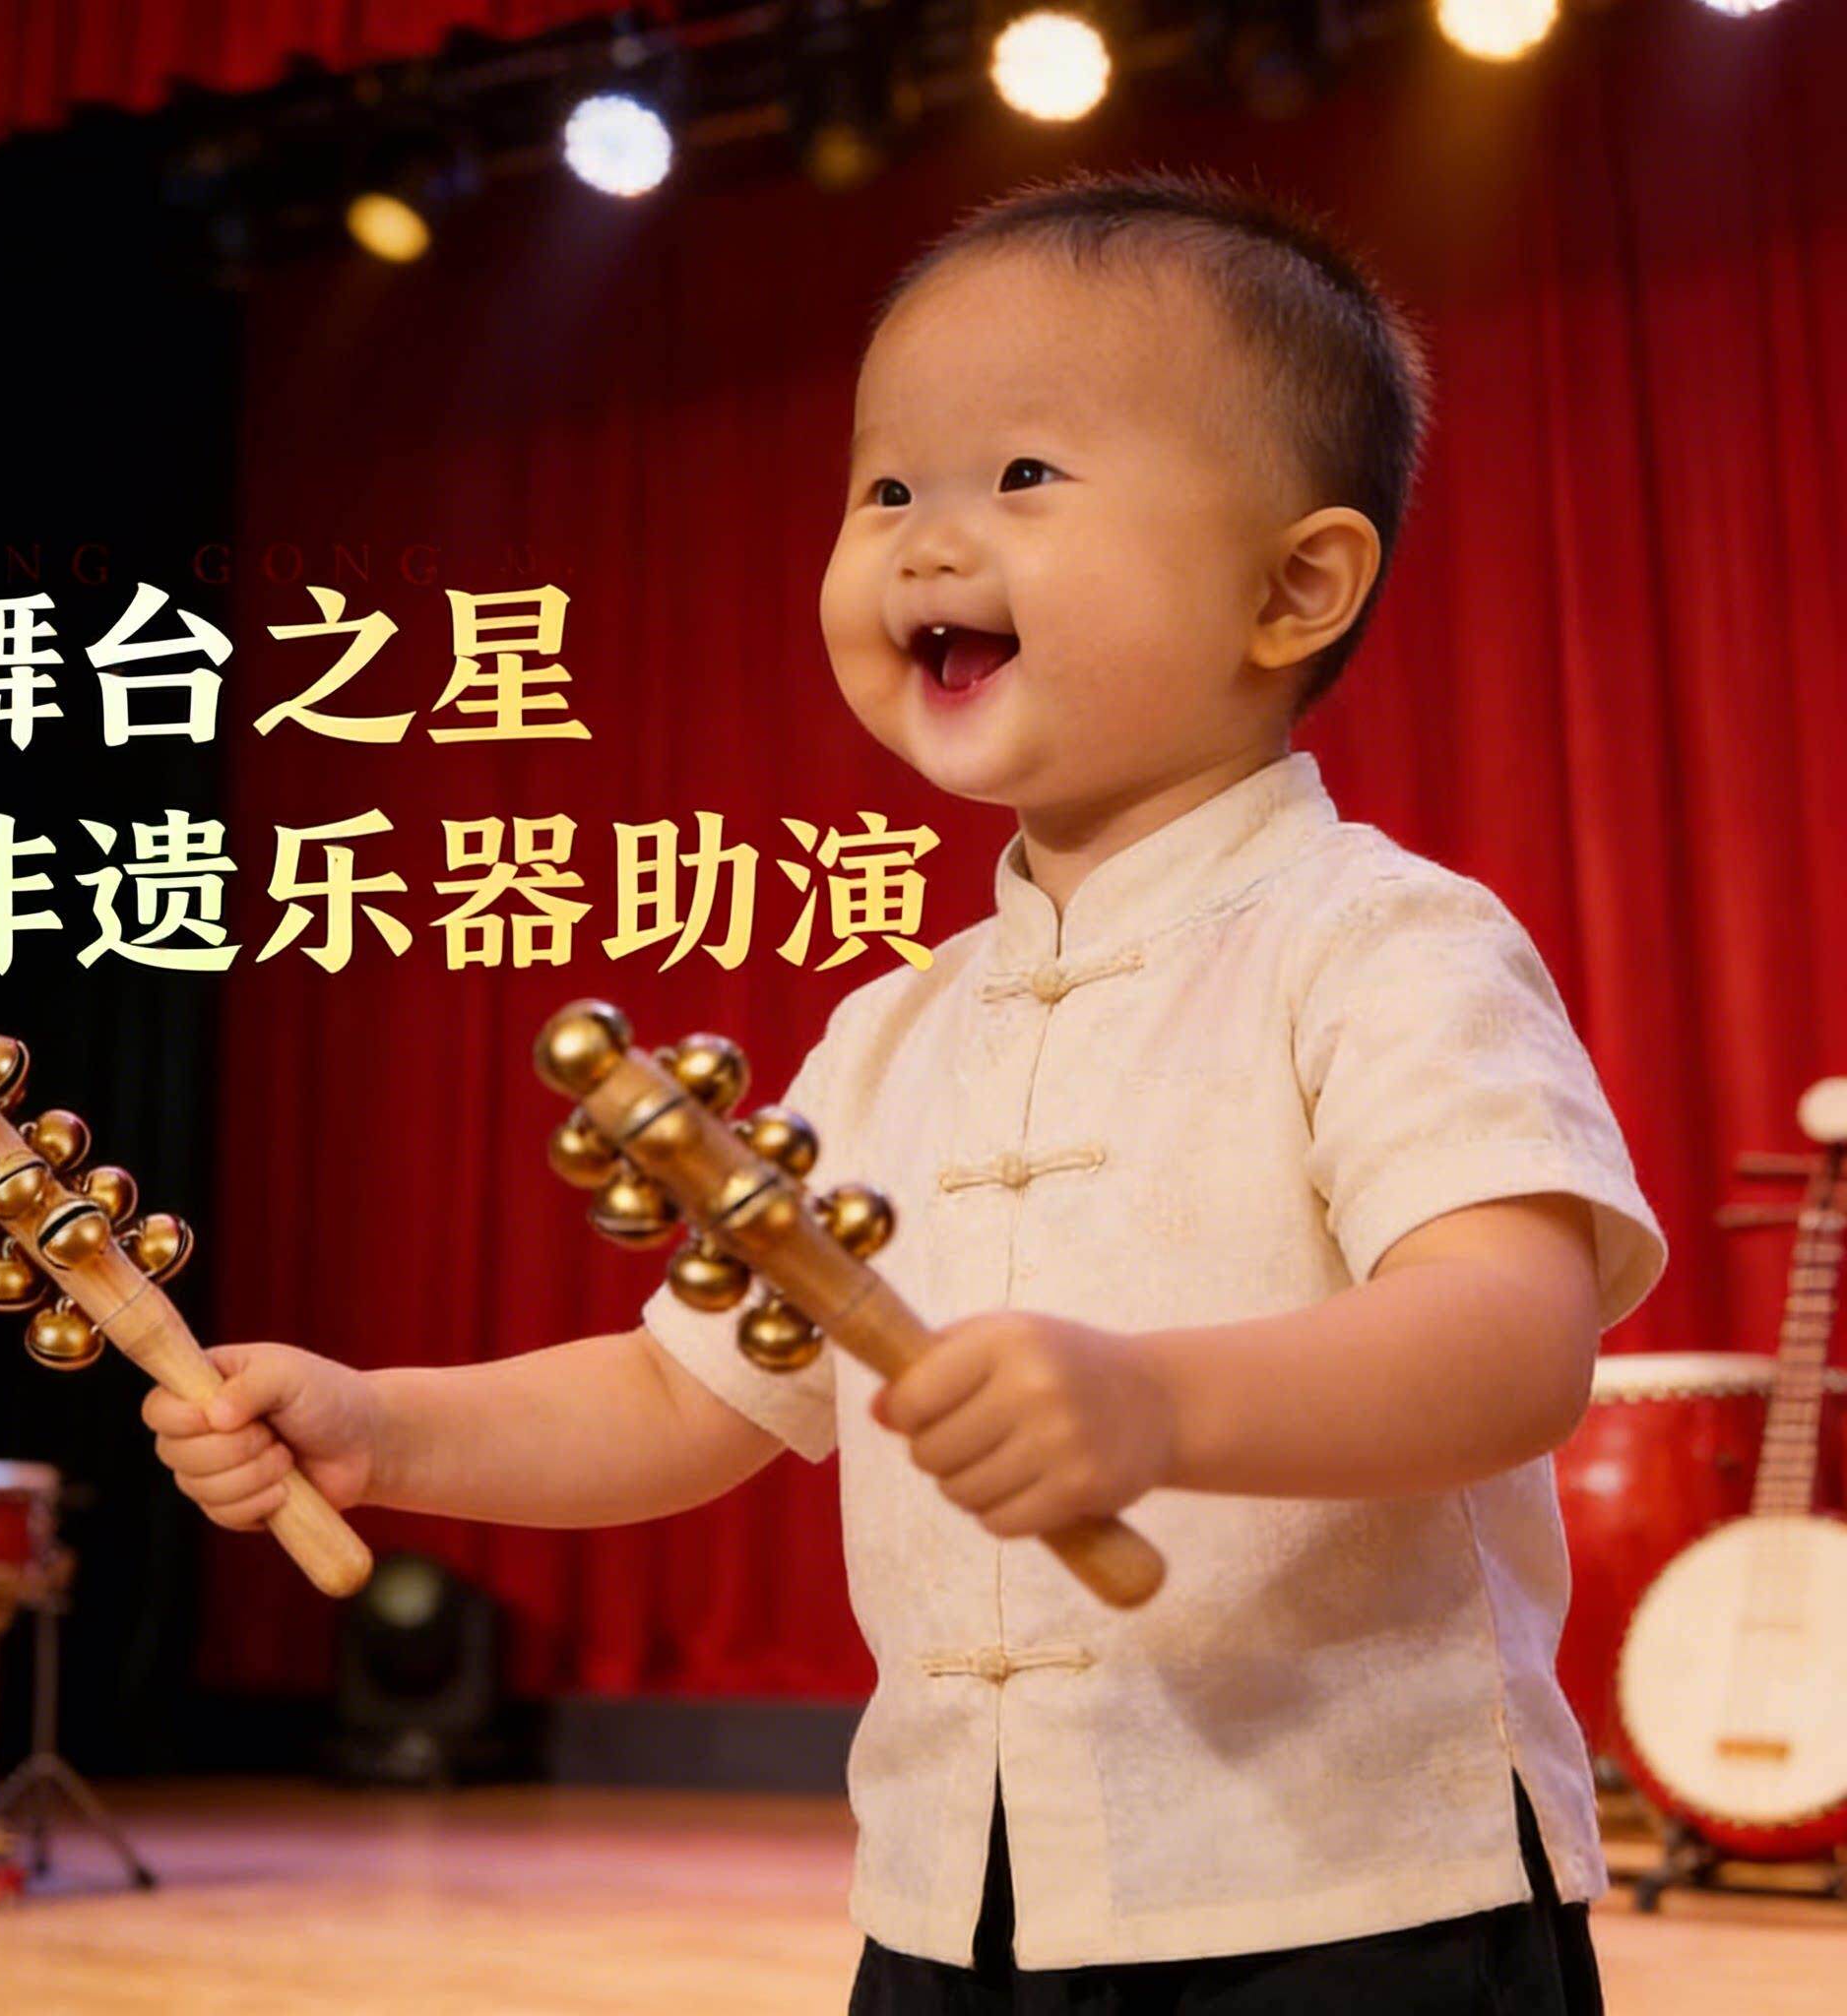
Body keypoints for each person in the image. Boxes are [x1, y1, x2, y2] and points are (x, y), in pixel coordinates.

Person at [145, 168, 1665, 2013]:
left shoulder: (1385, 942)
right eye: (885, 490)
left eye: (1021, 475)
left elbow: (1513, 1341)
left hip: (1356, 1900)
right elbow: (684, 1392)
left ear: (1295, 586)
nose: (926, 542)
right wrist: (385, 1429)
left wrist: (1154, 1401)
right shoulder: (884, 1031)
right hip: (959, 1904)